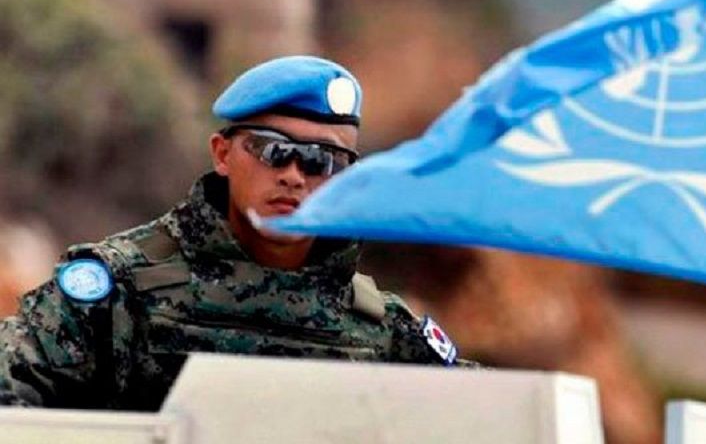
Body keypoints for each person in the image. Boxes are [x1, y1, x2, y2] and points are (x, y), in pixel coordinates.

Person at [0, 56, 465, 410]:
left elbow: (481, 416)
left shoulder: (383, 329)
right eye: (272, 150)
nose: (294, 175)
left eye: (322, 160)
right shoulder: (118, 292)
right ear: (222, 154)